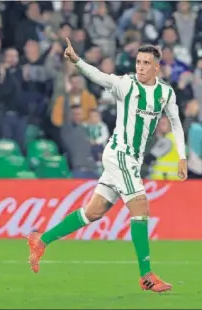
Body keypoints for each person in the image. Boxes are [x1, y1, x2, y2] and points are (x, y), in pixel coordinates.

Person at [27, 38, 188, 293]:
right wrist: (77, 61)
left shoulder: (165, 93)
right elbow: (99, 76)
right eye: (138, 62)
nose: (141, 67)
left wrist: (182, 157)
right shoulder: (127, 85)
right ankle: (146, 276)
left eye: (146, 63)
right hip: (119, 154)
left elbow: (176, 123)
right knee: (141, 208)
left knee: (94, 212)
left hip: (131, 159)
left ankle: (41, 240)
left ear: (157, 67)